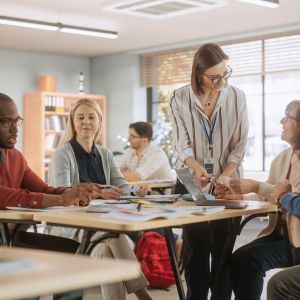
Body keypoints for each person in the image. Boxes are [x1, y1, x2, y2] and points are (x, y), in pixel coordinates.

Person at [49, 98, 153, 300]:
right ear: (73, 122)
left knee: (105, 254)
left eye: (91, 117)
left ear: (99, 121)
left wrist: (135, 192)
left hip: (99, 229)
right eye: (80, 117)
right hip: (71, 227)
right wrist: (98, 192)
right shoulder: (62, 154)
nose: (85, 122)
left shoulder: (105, 154)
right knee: (113, 232)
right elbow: (63, 192)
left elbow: (121, 185)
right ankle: (143, 295)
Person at [169, 43, 249, 300]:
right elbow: (181, 143)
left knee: (223, 252)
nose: (221, 81)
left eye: (225, 74)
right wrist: (196, 167)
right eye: (214, 77)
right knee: (196, 251)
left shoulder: (237, 97)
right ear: (198, 73)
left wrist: (226, 174)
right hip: (192, 183)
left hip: (227, 184)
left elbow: (239, 145)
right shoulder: (179, 98)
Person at [216, 100, 300, 300]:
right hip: (281, 235)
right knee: (234, 259)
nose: (282, 121)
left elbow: (292, 199)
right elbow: (271, 196)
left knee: (251, 259)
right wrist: (240, 196)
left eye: (288, 117)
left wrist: (257, 186)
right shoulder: (281, 158)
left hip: (297, 241)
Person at [0, 92, 100, 210]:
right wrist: (61, 200)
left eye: (16, 121)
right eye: (6, 121)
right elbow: (4, 195)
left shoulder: (16, 157)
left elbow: (43, 189)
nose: (15, 129)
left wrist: (75, 192)